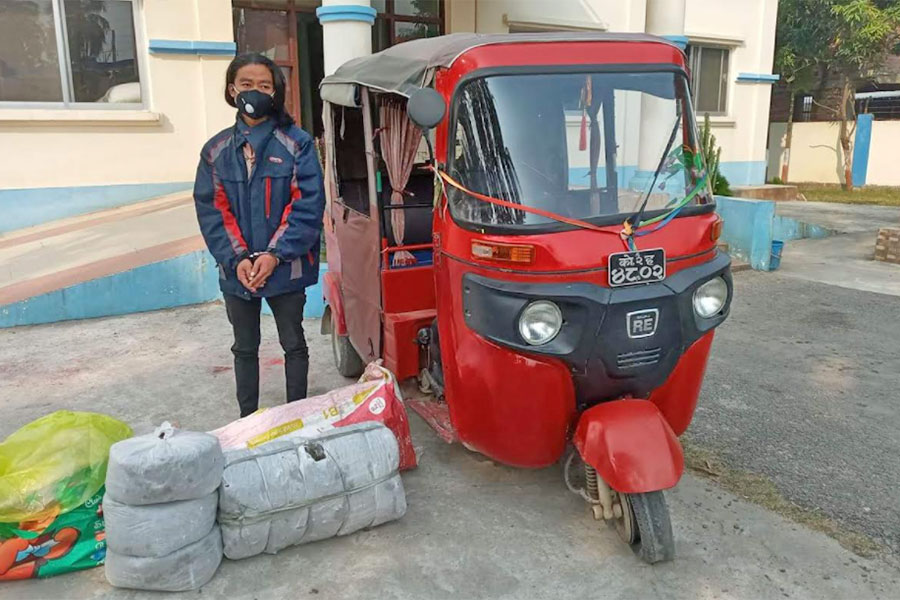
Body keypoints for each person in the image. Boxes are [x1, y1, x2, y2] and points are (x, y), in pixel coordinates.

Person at [193, 53, 325, 417]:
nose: (255, 92)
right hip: (237, 270)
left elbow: (307, 204)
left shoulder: (296, 143)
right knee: (244, 347)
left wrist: (274, 254)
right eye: (246, 84)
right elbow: (212, 209)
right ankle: (246, 422)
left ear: (276, 91)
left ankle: (295, 418)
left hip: (286, 266)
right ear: (232, 89)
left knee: (293, 343)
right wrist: (236, 259)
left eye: (264, 86)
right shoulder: (216, 151)